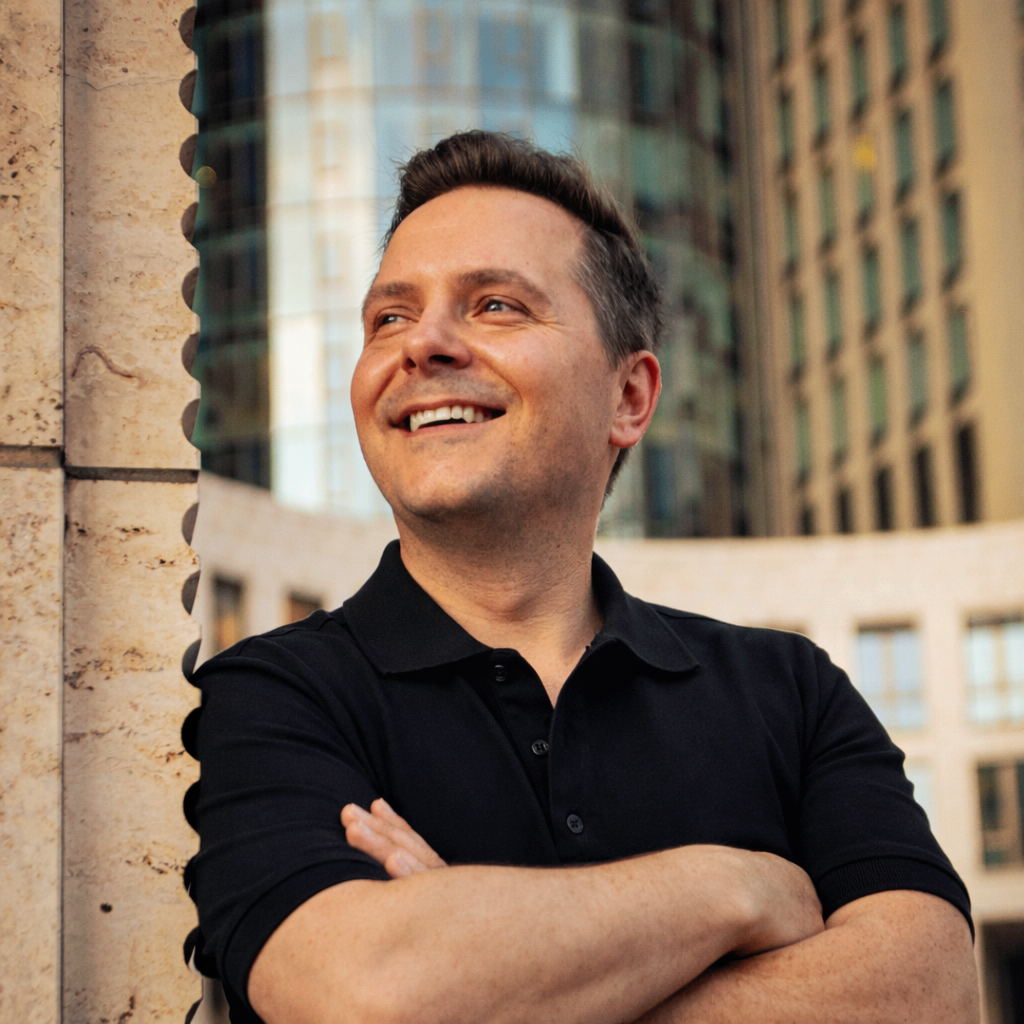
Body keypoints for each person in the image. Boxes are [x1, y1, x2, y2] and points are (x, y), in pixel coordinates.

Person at [191, 131, 978, 1024]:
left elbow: (932, 994)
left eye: (494, 305)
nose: (424, 345)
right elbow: (372, 995)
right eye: (390, 317)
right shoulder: (265, 697)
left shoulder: (791, 694)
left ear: (629, 397)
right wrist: (741, 887)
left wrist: (491, 974)